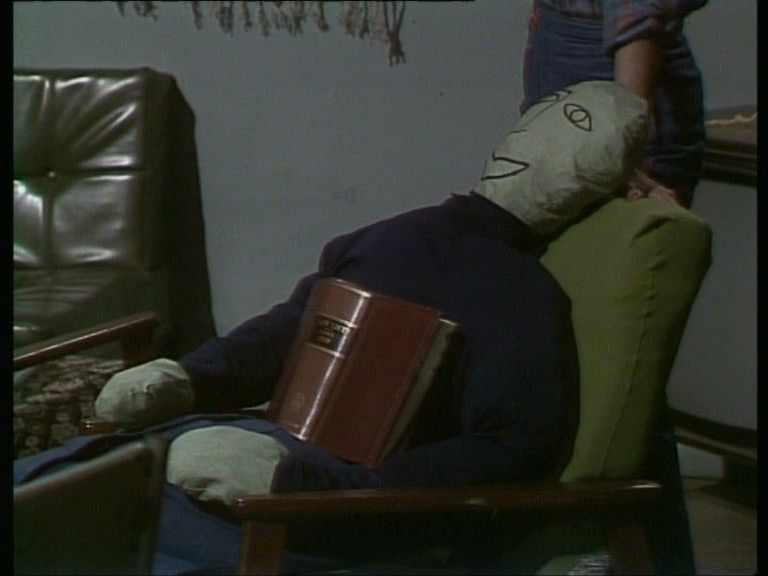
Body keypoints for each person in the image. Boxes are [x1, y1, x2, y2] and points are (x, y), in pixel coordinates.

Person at [13, 80, 648, 575]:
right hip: (199, 460)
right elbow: (292, 329)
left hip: (311, 513)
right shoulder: (398, 237)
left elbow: (509, 448)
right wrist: (188, 378)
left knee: (75, 529)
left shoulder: (525, 301)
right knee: (59, 484)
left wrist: (304, 483)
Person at [521, 0, 709, 208]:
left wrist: (625, 159)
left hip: (629, 122)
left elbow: (638, 14)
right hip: (563, 101)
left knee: (630, 218)